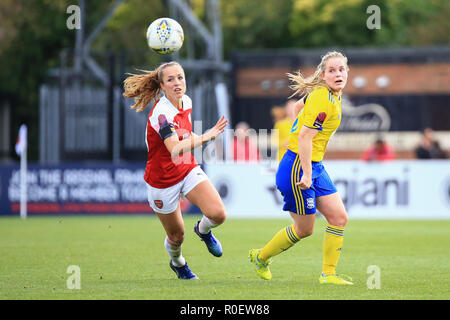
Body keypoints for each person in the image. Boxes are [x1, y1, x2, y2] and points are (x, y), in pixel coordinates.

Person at [249, 51, 353, 285]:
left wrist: (300, 133)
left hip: (313, 164)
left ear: (347, 72)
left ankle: (329, 275)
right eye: (332, 70)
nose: (338, 74)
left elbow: (298, 107)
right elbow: (305, 137)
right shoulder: (324, 99)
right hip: (298, 166)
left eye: (341, 69)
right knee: (305, 229)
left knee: (339, 217)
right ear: (323, 75)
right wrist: (306, 171)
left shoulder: (330, 95)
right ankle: (261, 257)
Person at [123, 61, 228, 280]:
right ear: (161, 86)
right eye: (170, 80)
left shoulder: (186, 101)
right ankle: (178, 263)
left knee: (218, 214)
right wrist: (206, 136)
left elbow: (183, 139)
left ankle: (203, 230)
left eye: (180, 77)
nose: (177, 83)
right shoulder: (161, 112)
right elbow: (173, 148)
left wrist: (196, 139)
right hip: (162, 181)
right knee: (176, 236)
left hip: (186, 168)